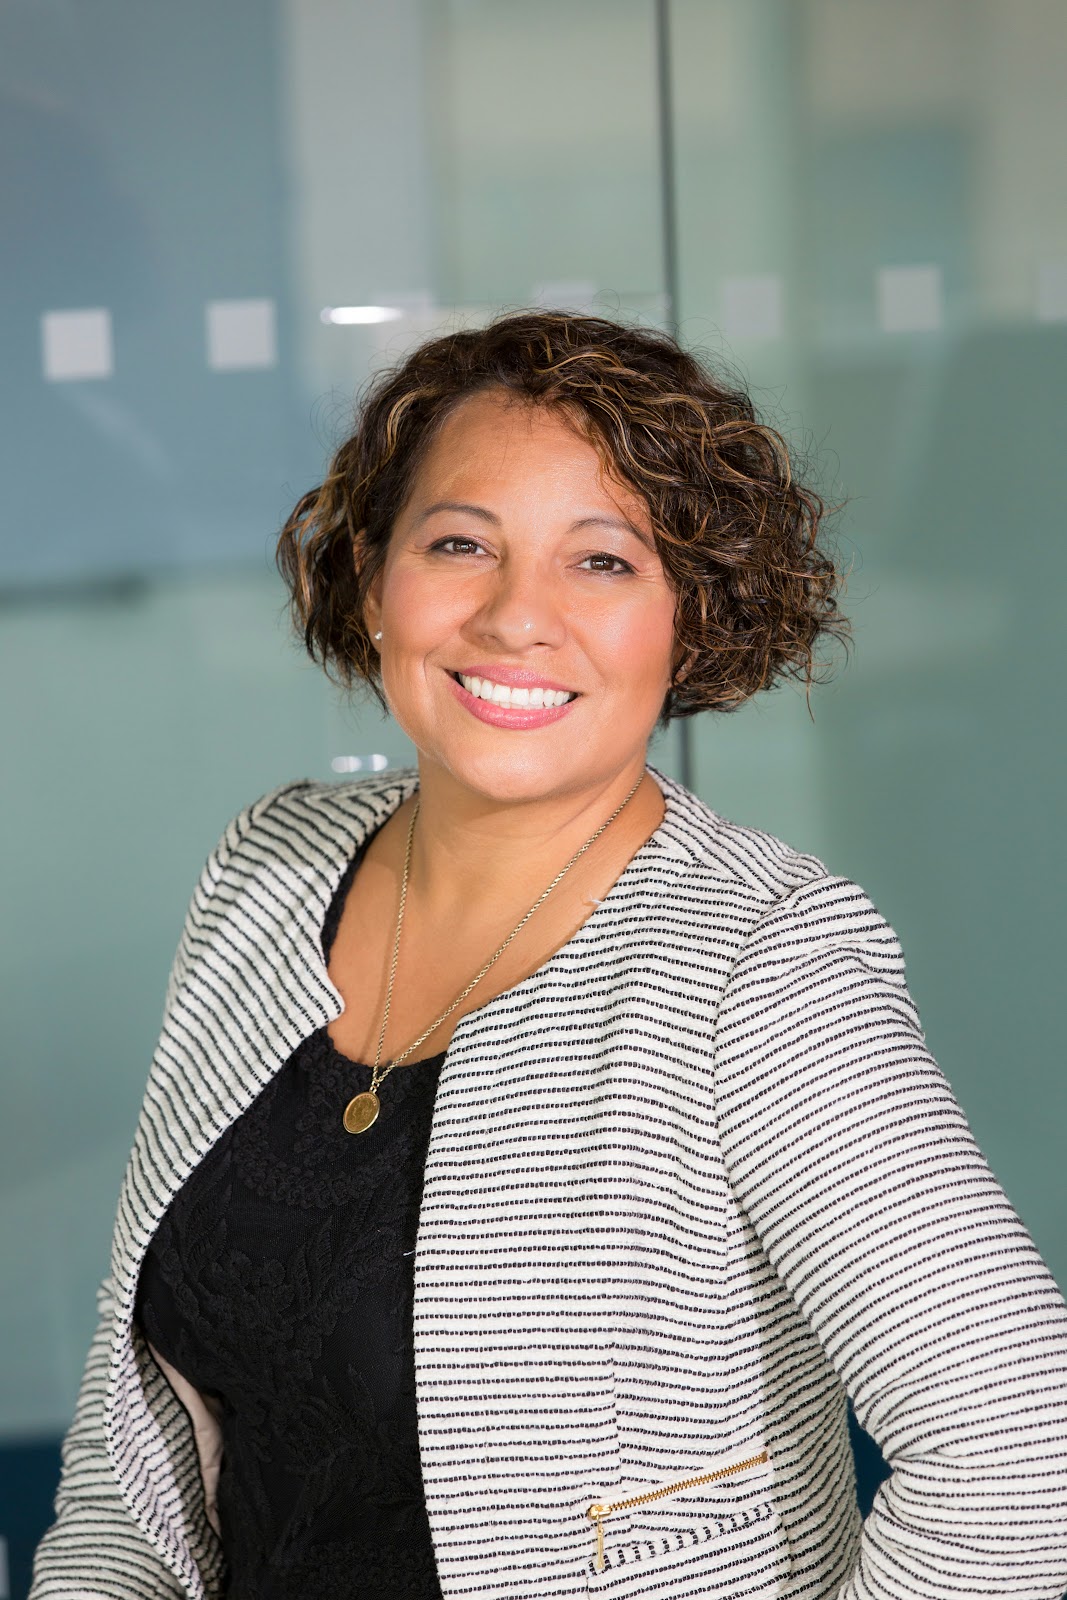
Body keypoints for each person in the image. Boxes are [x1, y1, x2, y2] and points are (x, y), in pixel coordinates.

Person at [30, 312, 1067, 1600]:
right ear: (372, 574)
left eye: (605, 562)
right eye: (461, 543)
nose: (518, 615)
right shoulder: (270, 867)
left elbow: (1020, 1460)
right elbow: (130, 1463)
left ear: (693, 616)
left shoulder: (763, 957)